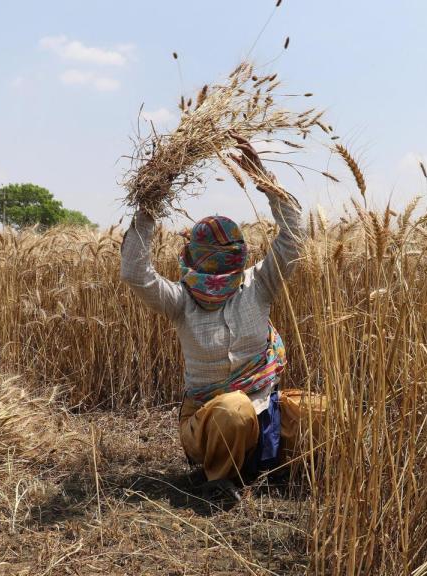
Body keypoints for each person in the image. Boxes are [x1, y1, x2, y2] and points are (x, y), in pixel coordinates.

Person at [120, 136, 320, 501]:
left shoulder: (258, 285)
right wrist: (149, 205)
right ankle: (219, 481)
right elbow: (136, 273)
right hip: (210, 421)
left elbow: (293, 239)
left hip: (264, 413)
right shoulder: (180, 301)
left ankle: (277, 466)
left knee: (322, 411)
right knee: (234, 407)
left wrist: (266, 183)